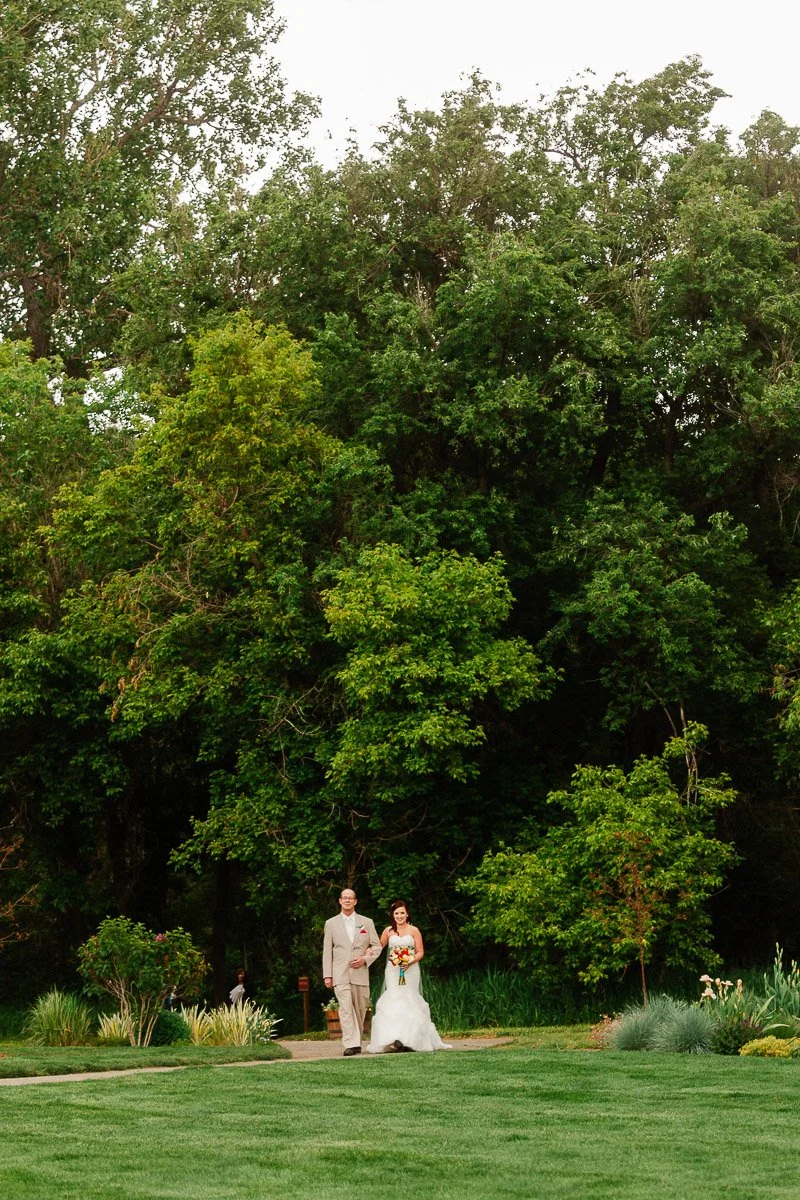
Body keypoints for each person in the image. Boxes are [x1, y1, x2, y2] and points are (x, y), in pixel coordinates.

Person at [366, 899, 451, 1054]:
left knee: (410, 999)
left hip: (410, 970)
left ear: (407, 914)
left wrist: (409, 961)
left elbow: (420, 952)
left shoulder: (414, 930)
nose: (399, 916)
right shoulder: (388, 931)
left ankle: (411, 1039)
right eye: (396, 913)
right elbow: (378, 948)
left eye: (402, 913)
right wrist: (366, 954)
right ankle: (393, 1038)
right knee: (394, 998)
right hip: (393, 970)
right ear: (393, 915)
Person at [322, 887, 382, 1056]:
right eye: (344, 898)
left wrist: (365, 960)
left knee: (359, 1008)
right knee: (346, 1008)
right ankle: (351, 1043)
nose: (347, 900)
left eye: (350, 898)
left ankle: (357, 1042)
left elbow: (377, 946)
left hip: (360, 973)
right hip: (340, 973)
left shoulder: (366, 922)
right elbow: (327, 951)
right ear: (340, 901)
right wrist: (328, 975)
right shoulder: (331, 923)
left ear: (355, 901)